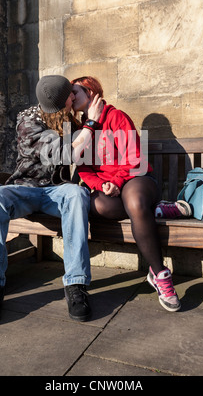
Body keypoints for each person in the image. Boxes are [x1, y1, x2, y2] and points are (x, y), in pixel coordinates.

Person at [0, 75, 103, 325]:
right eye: (70, 94)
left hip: (56, 191)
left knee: (77, 194)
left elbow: (96, 150)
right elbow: (67, 154)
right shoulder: (28, 121)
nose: (74, 97)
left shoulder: (68, 119)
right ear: (61, 101)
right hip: (25, 188)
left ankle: (76, 285)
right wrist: (91, 123)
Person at [71, 76, 190, 312]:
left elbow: (134, 159)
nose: (71, 97)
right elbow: (83, 167)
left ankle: (159, 274)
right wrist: (99, 186)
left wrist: (115, 182)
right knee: (99, 205)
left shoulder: (117, 117)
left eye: (75, 92)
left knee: (135, 201)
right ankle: (157, 209)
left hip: (136, 178)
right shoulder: (81, 128)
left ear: (92, 93)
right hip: (109, 188)